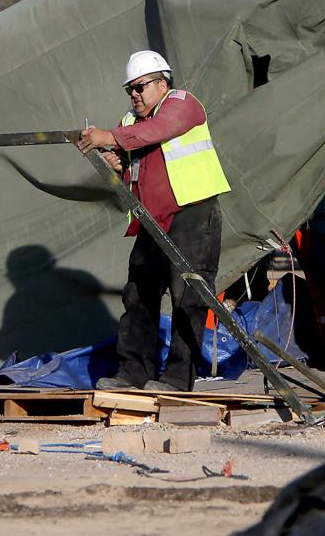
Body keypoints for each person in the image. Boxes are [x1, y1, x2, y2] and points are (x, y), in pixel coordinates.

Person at [77, 50, 231, 392]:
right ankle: (133, 374)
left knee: (188, 296)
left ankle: (178, 379)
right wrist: (118, 164)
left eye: (140, 86)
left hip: (192, 213)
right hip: (151, 220)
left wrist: (110, 138)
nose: (134, 94)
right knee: (139, 295)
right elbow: (136, 160)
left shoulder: (182, 103)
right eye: (129, 89)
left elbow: (160, 131)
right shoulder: (131, 122)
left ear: (162, 83)